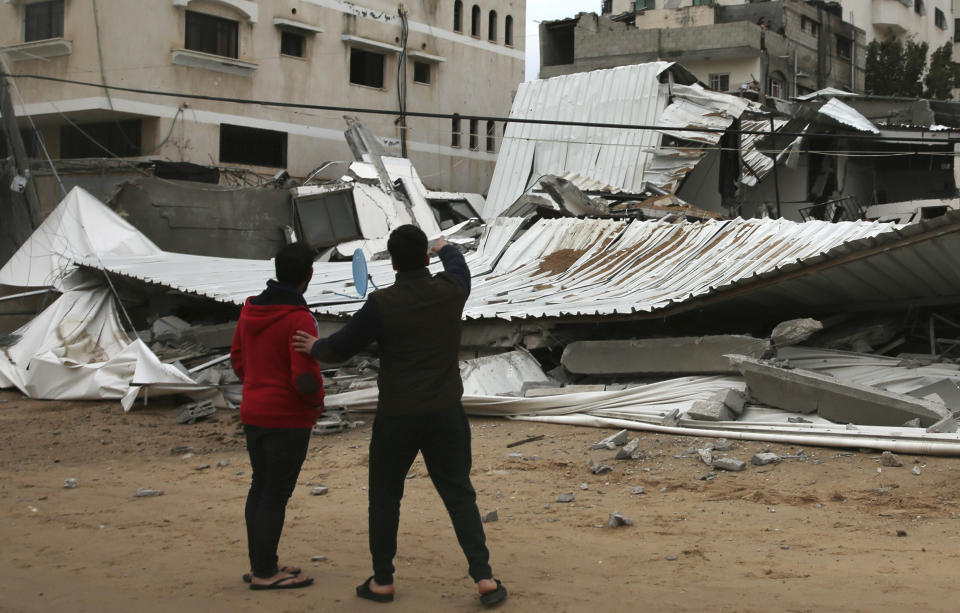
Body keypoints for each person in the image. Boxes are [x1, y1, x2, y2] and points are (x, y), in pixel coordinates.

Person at [292, 225, 507, 607]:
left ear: (392, 262)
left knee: (385, 497)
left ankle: (383, 581)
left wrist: (315, 346)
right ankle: (485, 578)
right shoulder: (450, 291)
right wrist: (445, 246)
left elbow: (339, 348)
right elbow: (460, 265)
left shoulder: (382, 304)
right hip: (445, 412)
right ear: (425, 259)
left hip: (398, 415)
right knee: (458, 494)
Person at [230, 242, 325, 591]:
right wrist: (316, 401)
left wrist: (258, 386)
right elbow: (304, 376)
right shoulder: (299, 318)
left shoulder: (251, 309)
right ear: (309, 276)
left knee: (261, 487)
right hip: (287, 417)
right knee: (274, 493)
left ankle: (261, 563)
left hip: (254, 411)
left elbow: (237, 358)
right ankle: (266, 572)